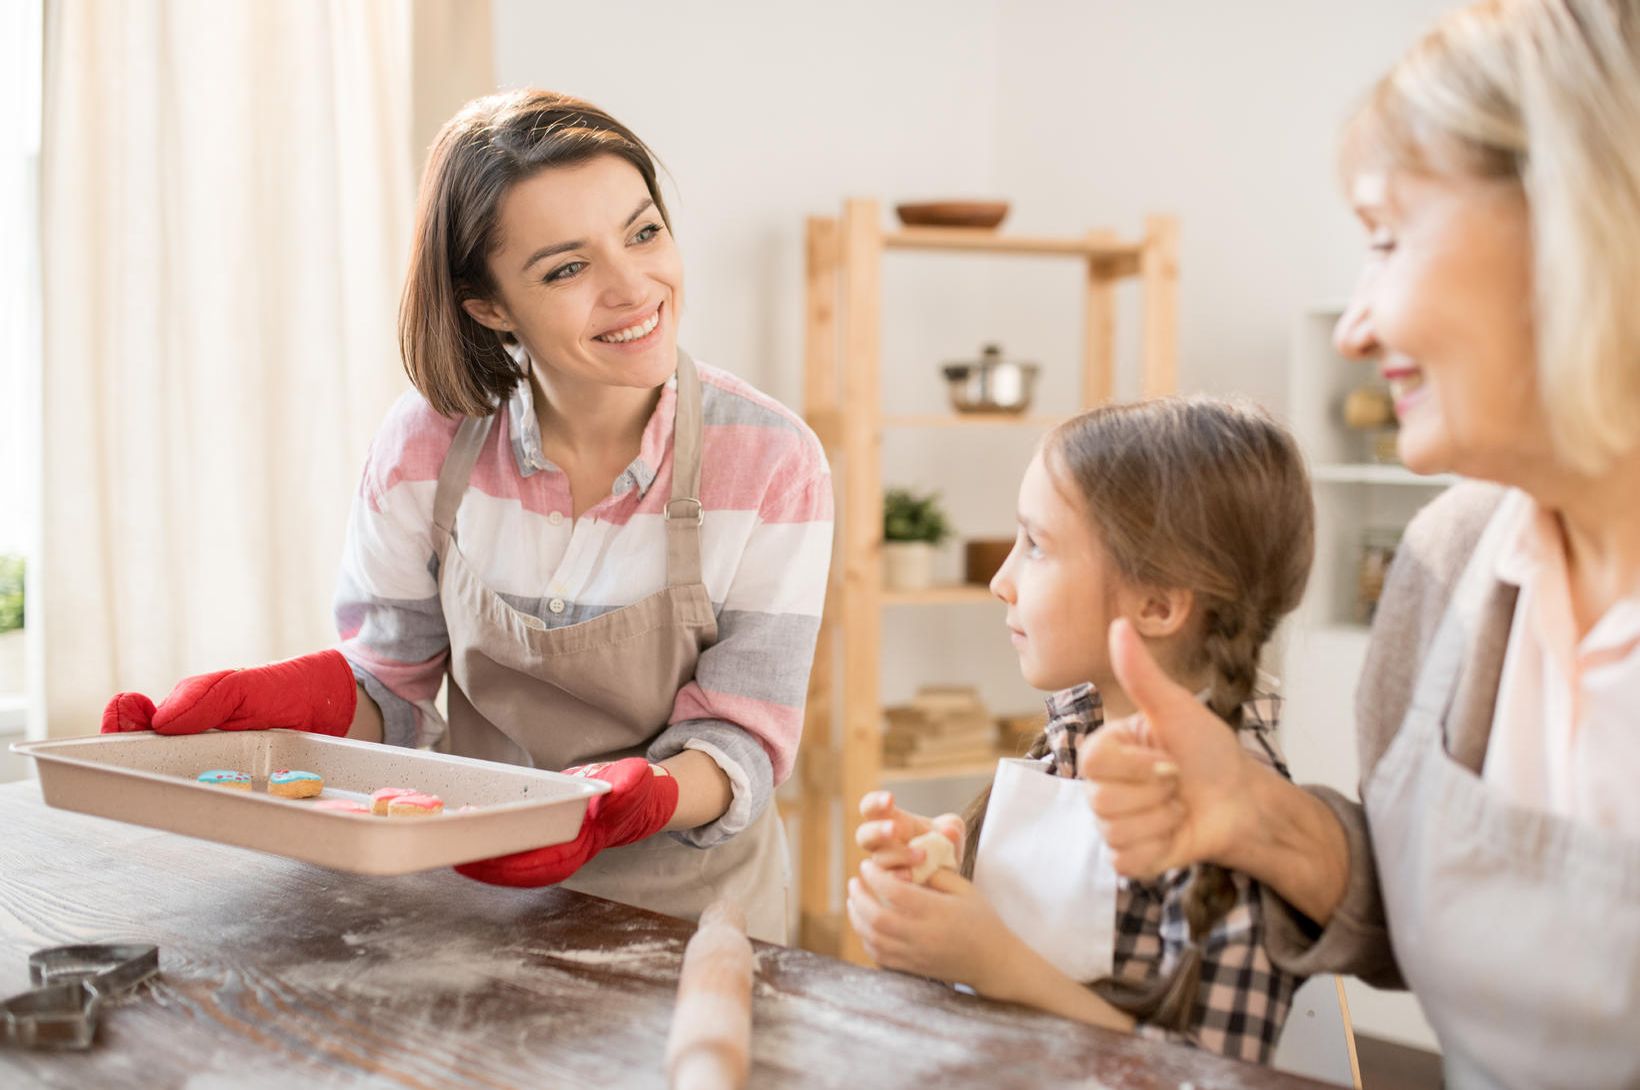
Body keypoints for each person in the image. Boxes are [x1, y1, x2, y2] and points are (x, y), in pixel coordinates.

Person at [101, 90, 832, 944]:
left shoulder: (772, 462)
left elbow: (741, 738)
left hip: (693, 924)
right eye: (566, 268)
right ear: (487, 307)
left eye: (643, 233)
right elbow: (396, 694)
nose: (634, 287)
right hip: (476, 907)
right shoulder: (427, 445)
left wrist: (632, 803)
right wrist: (308, 699)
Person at [1077, 2, 1640, 1085]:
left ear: (1579, 227)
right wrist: (1253, 815)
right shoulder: (1448, 562)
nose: (1354, 323)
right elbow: (1442, 907)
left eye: (1386, 237)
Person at [846, 398, 1315, 1062]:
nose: (1001, 580)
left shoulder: (1243, 817)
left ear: (1157, 604)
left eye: (1036, 546)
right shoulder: (1072, 735)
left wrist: (992, 962)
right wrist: (944, 882)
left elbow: (1207, 1072)